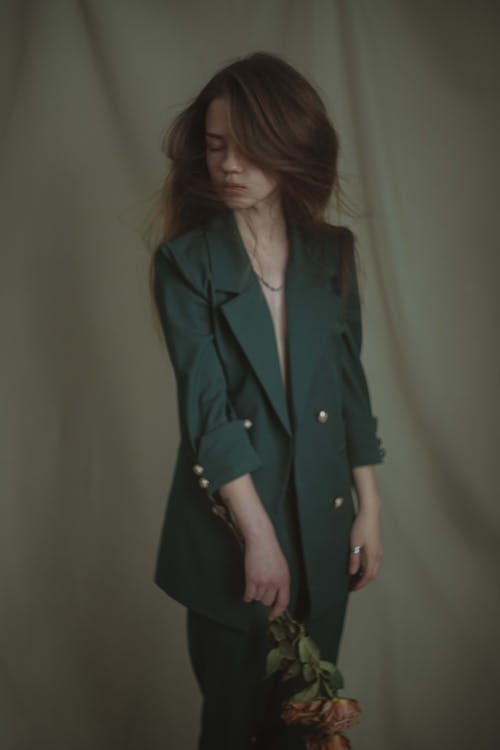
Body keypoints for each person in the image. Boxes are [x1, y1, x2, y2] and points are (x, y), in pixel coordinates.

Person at [150, 52, 386, 750]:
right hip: (228, 532)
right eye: (216, 146)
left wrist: (369, 507)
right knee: (231, 727)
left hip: (323, 526)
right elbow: (207, 410)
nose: (228, 164)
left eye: (249, 148)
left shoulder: (332, 254)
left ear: (291, 148)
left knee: (305, 728)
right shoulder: (185, 262)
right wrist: (257, 537)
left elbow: (349, 388)